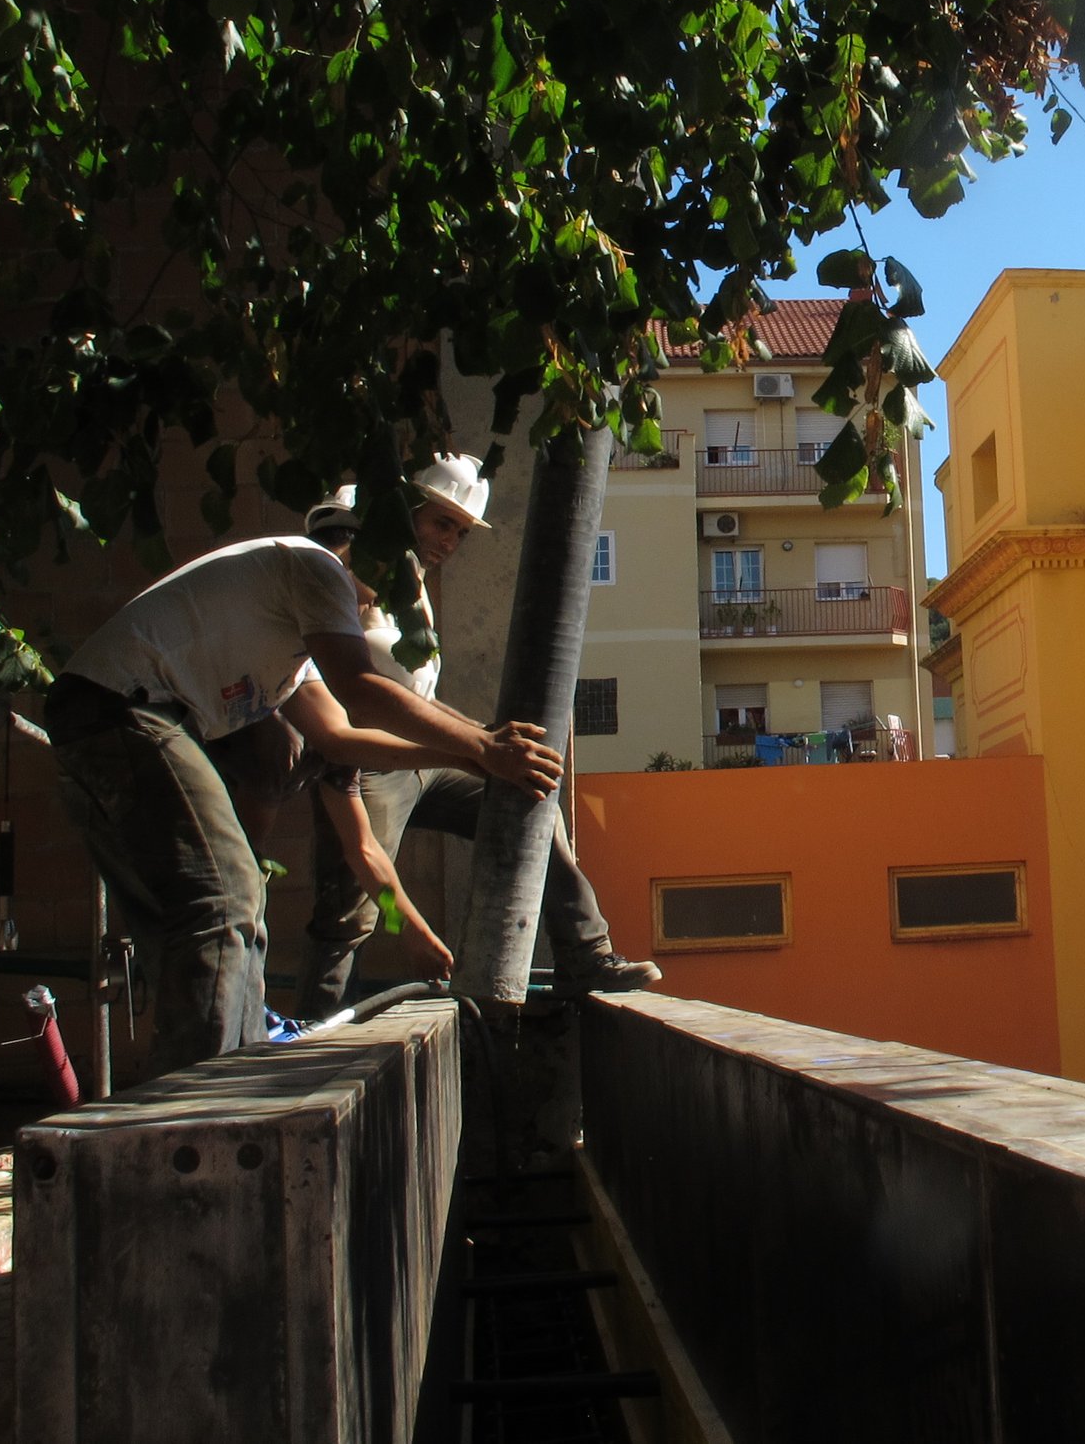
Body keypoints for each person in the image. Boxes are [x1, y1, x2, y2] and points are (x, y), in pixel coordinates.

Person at [45, 527, 564, 1075]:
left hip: (374, 831)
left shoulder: (337, 748)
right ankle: (284, 1044)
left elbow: (368, 854)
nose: (365, 605)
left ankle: (251, 1058)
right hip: (139, 718)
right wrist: (405, 927)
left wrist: (408, 927)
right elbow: (365, 861)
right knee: (299, 918)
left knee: (249, 909)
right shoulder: (329, 704)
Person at [291, 457, 660, 1019]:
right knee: (353, 913)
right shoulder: (332, 593)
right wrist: (409, 931)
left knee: (529, 789)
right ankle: (315, 1025)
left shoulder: (409, 587)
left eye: (461, 531)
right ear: (398, 515)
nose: (451, 541)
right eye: (443, 523)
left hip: (428, 759)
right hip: (361, 762)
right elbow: (364, 843)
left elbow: (419, 701)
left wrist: (485, 741)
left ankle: (586, 954)